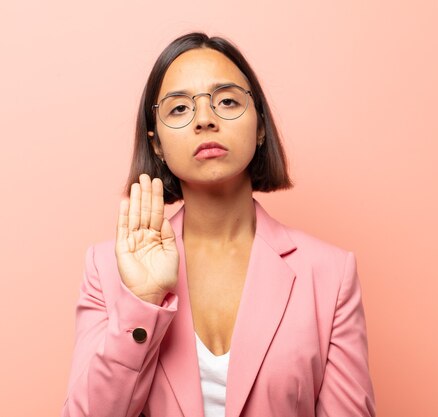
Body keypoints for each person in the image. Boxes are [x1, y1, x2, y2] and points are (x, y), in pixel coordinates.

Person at [62, 32, 375, 417]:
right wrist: (142, 304)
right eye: (179, 109)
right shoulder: (107, 271)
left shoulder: (329, 273)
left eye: (227, 101)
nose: (205, 120)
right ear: (156, 142)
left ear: (260, 125)